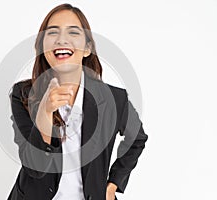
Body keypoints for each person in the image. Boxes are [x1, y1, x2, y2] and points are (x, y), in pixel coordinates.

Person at [8, 3, 148, 200]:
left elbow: (137, 139)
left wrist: (112, 184)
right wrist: (45, 114)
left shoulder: (115, 99)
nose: (61, 39)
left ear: (87, 48)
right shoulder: (23, 94)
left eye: (73, 33)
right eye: (52, 33)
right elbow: (35, 168)